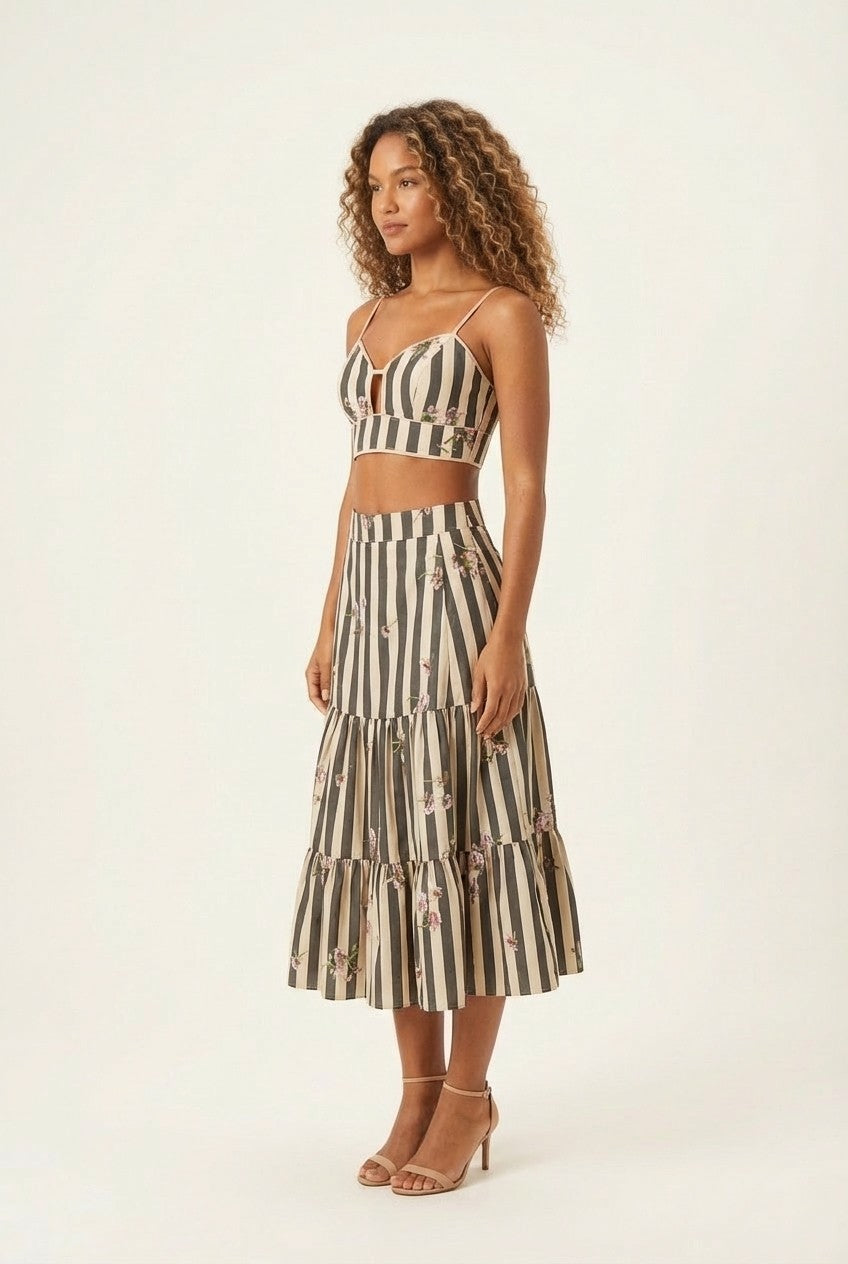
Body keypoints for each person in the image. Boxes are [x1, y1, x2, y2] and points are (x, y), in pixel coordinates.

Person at [286, 98, 584, 1196]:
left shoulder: (500, 314)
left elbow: (527, 488)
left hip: (451, 587)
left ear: (457, 185)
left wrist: (508, 634)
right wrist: (329, 616)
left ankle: (467, 1094)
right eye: (374, 186)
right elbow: (357, 482)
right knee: (387, 836)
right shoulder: (363, 323)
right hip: (371, 592)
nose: (388, 202)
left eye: (408, 179)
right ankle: (414, 1090)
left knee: (464, 829)